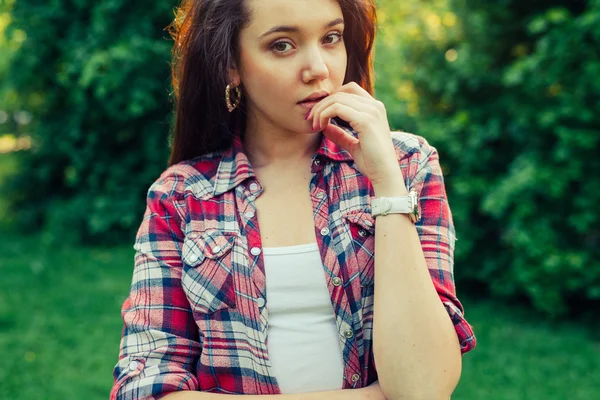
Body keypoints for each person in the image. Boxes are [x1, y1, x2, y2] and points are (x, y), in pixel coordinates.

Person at [110, 0, 476, 399]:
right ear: (231, 64)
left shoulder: (406, 165)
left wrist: (387, 185)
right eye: (282, 45)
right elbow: (144, 388)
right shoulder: (180, 198)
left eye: (331, 38)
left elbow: (424, 388)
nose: (318, 68)